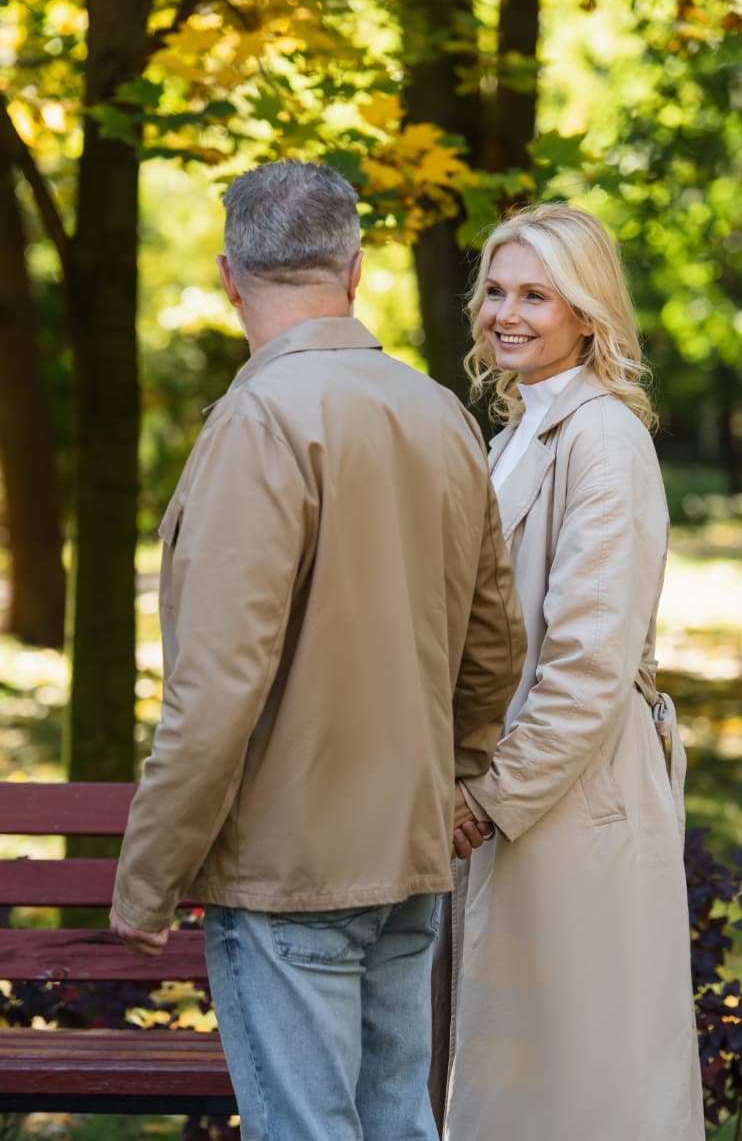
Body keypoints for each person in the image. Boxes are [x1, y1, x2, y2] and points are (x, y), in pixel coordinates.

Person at [109, 159, 526, 1141]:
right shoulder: (439, 413)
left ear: (226, 274)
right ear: (355, 264)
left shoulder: (256, 422)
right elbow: (492, 642)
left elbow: (216, 691)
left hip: (284, 861)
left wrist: (148, 873)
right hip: (406, 854)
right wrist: (454, 779)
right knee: (396, 1121)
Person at [443, 203, 705, 1140]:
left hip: (572, 796)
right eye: (496, 291)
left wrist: (491, 798)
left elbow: (590, 663)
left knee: (584, 1085)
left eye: (535, 296)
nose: (505, 313)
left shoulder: (605, 439)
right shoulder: (515, 433)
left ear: (587, 314)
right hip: (517, 789)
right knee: (518, 1079)